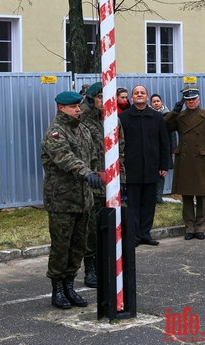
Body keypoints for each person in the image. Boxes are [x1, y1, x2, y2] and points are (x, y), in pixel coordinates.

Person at [41, 91, 102, 309]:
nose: (78, 109)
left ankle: (69, 286)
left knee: (78, 246)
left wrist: (96, 173)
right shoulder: (55, 133)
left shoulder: (83, 130)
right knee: (61, 246)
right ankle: (57, 289)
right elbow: (66, 159)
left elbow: (92, 156)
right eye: (73, 107)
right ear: (61, 108)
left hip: (83, 199)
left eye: (78, 106)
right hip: (62, 200)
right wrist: (86, 173)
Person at [80, 82, 126, 287]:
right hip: (91, 184)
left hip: (110, 184)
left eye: (106, 97)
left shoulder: (113, 119)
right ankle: (89, 269)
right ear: (91, 99)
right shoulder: (82, 121)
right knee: (90, 230)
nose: (103, 101)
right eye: (99, 97)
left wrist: (120, 179)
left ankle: (104, 266)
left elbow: (121, 150)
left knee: (107, 228)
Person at [119, 85, 170, 246]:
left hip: (152, 168)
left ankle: (145, 234)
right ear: (132, 98)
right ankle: (134, 235)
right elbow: (120, 144)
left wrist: (164, 165)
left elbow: (164, 143)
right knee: (133, 204)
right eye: (136, 93)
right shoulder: (124, 118)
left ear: (147, 97)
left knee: (149, 204)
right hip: (132, 168)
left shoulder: (157, 117)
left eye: (142, 93)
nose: (139, 95)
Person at [165, 87, 205, 240]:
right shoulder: (180, 116)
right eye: (188, 100)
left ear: (199, 100)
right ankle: (189, 227)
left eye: (193, 99)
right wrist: (174, 111)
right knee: (187, 195)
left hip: (201, 160)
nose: (191, 102)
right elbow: (165, 126)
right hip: (185, 159)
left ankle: (201, 227)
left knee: (201, 196)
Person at [150, 94, 176, 204]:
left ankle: (158, 198)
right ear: (151, 104)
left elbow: (172, 134)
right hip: (152, 149)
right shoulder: (148, 115)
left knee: (162, 174)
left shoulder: (167, 115)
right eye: (154, 101)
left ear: (161, 102)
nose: (156, 103)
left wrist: (173, 149)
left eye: (158, 101)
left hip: (164, 149)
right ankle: (152, 197)